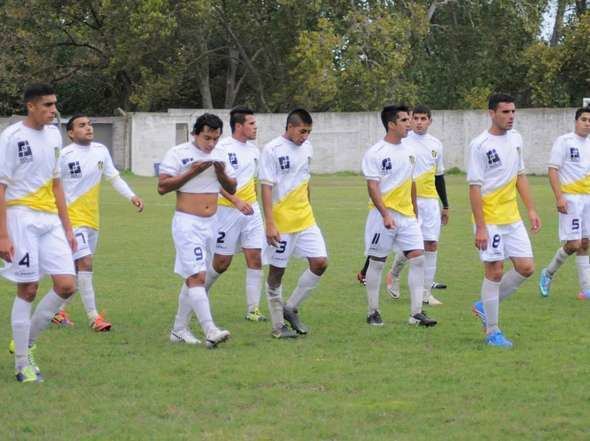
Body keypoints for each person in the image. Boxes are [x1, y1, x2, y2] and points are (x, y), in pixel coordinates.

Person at [0, 84, 77, 382]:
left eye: (54, 104)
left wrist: (67, 227)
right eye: (47, 105)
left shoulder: (55, 135)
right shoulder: (11, 138)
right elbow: (2, 187)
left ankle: (25, 342)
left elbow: (57, 183)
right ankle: (23, 364)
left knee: (67, 285)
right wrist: (3, 235)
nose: (53, 110)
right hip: (20, 217)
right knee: (28, 288)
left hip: (50, 220)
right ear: (30, 106)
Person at [51, 115, 144, 331]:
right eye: (82, 125)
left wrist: (132, 196)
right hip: (72, 220)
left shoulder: (101, 150)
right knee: (85, 264)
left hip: (92, 219)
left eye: (89, 124)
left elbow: (113, 177)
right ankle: (94, 318)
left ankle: (58, 312)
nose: (88, 128)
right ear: (71, 133)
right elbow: (51, 186)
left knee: (76, 272)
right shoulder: (64, 156)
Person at [468, 93, 541, 348]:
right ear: (491, 113)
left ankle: (484, 305)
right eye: (505, 112)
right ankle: (493, 331)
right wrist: (480, 227)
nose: (510, 117)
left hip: (512, 217)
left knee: (526, 267)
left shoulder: (517, 139)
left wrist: (531, 209)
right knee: (495, 271)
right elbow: (474, 188)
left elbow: (520, 175)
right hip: (490, 219)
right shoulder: (480, 144)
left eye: (513, 112)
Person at [158, 113, 236, 348]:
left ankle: (179, 330)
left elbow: (232, 186)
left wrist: (221, 172)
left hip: (212, 223)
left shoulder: (220, 154)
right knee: (197, 277)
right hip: (187, 222)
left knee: (194, 276)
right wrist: (192, 171)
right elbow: (162, 187)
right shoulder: (178, 153)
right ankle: (210, 329)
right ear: (194, 134)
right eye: (206, 138)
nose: (211, 144)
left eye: (215, 138)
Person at [362, 104, 437, 327]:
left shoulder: (410, 151)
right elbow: (373, 187)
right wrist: (385, 214)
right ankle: (373, 311)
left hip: (407, 217)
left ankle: (416, 313)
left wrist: (414, 212)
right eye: (404, 120)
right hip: (381, 216)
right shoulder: (375, 153)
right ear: (392, 124)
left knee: (418, 258)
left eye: (410, 119)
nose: (410, 124)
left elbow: (411, 183)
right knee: (377, 263)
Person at [259, 108, 328, 339]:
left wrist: (309, 204)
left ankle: (291, 307)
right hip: (281, 223)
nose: (305, 136)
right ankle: (278, 327)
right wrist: (270, 223)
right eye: (302, 131)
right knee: (277, 273)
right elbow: (266, 188)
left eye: (308, 132)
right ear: (289, 127)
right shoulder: (272, 149)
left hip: (306, 219)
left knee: (320, 263)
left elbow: (305, 179)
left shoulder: (307, 148)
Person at [205, 107, 266, 321]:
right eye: (251, 123)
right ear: (238, 126)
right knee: (221, 262)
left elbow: (254, 181)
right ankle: (199, 293)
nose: (255, 127)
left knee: (255, 258)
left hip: (251, 211)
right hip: (226, 211)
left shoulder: (254, 150)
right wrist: (236, 200)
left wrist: (253, 204)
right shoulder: (222, 148)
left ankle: (253, 310)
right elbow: (215, 180)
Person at [385, 105, 449, 305]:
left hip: (430, 202)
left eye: (424, 118)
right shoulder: (403, 142)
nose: (419, 122)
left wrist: (445, 205)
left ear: (430, 121)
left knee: (431, 244)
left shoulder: (436, 145)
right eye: (416, 118)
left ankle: (425, 293)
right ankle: (393, 275)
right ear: (410, 120)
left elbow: (439, 176)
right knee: (411, 245)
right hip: (407, 201)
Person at [539, 107, 590, 299]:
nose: (587, 123)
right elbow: (553, 170)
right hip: (571, 198)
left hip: (588, 198)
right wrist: (559, 197)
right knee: (574, 243)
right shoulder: (564, 141)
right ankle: (548, 272)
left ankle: (586, 289)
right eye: (584, 119)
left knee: (585, 243)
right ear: (576, 121)